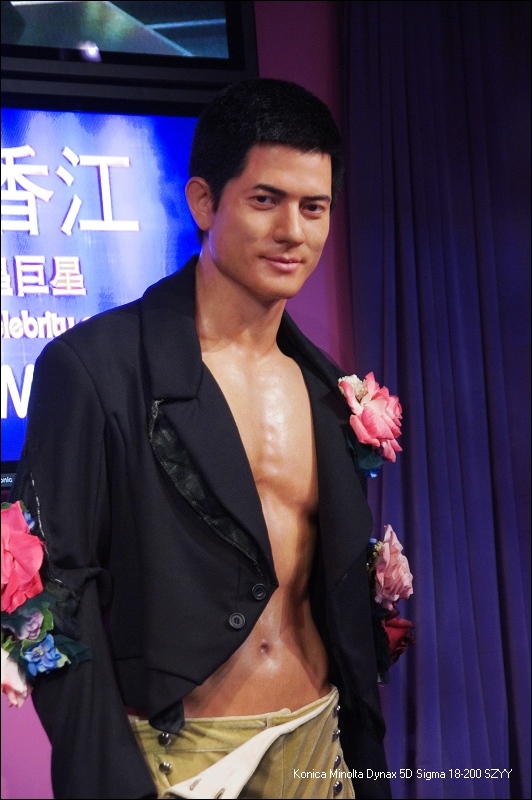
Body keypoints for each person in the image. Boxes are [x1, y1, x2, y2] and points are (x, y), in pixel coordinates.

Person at [12, 79, 392, 799]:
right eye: (266, 200)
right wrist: (107, 777)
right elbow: (44, 591)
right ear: (203, 202)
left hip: (319, 737)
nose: (293, 231)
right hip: (181, 757)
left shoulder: (326, 387)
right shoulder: (95, 368)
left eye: (314, 207)